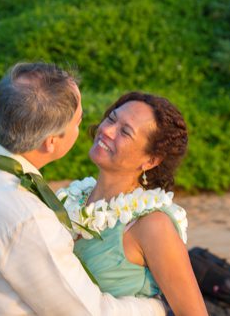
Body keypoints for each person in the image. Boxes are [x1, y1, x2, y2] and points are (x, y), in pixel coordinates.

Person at [0, 63, 166, 315]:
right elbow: (85, 311)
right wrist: (155, 308)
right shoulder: (26, 218)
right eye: (78, 121)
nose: (100, 129)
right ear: (51, 142)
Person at [57, 92, 208, 316]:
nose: (107, 130)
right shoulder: (72, 197)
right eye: (111, 119)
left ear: (151, 160)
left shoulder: (152, 224)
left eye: (125, 132)